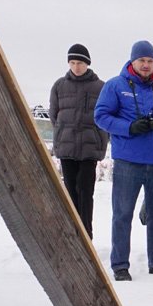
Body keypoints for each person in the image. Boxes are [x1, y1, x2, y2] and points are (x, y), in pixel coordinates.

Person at [93, 40, 153, 282]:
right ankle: (120, 264)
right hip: (128, 162)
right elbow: (101, 116)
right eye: (142, 60)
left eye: (150, 60)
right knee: (122, 213)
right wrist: (129, 127)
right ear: (133, 61)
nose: (146, 65)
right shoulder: (115, 86)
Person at [48, 43, 108, 239]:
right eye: (72, 62)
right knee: (70, 192)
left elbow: (105, 115)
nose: (76, 67)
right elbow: (54, 114)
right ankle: (71, 234)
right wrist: (63, 132)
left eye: (80, 62)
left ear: (87, 64)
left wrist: (99, 137)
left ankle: (86, 234)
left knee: (85, 191)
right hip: (67, 146)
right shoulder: (59, 85)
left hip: (89, 148)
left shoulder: (101, 87)